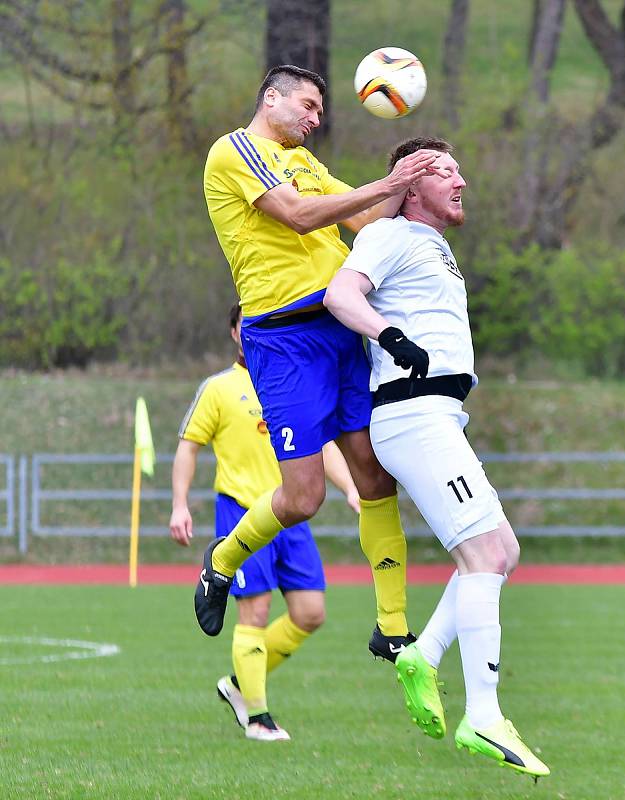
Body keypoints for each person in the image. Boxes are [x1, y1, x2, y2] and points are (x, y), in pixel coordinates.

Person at [323, 137, 550, 779]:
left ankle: (422, 654)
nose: (461, 181)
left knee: (503, 551)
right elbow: (343, 296)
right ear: (411, 186)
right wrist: (389, 336)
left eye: (458, 169)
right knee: (480, 556)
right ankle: (483, 716)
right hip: (413, 415)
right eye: (444, 171)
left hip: (439, 415)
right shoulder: (390, 233)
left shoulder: (436, 246)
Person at [196, 64, 440, 661]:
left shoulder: (306, 164)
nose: (313, 119)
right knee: (304, 498)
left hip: (339, 329)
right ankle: (222, 560)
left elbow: (360, 222)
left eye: (320, 113)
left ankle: (392, 623)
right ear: (270, 97)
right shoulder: (237, 151)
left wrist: (412, 190)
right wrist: (387, 184)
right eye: (306, 106)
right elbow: (300, 215)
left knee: (375, 477)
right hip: (283, 342)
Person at [170, 303, 360, 742]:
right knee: (253, 612)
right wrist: (180, 504)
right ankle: (257, 715)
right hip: (240, 512)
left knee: (311, 613)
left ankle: (240, 682)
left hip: (289, 514)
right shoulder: (219, 389)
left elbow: (322, 445)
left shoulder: (292, 381)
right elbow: (188, 447)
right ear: (238, 333)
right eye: (243, 324)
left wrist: (351, 487)